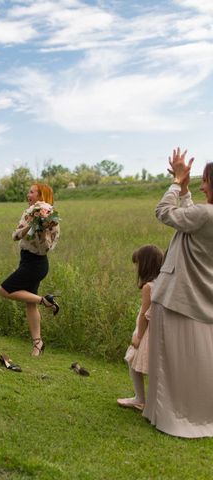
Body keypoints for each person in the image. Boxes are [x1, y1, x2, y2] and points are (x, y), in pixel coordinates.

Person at [143, 148, 213, 438]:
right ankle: (193, 410)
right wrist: (184, 186)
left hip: (178, 297)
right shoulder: (205, 215)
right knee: (195, 361)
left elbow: (165, 212)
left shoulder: (205, 214)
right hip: (200, 298)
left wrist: (175, 184)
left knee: (170, 360)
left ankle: (171, 414)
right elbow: (191, 216)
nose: (202, 185)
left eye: (206, 181)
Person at [0, 183, 60, 356]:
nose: (28, 194)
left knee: (4, 290)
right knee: (29, 304)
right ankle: (38, 344)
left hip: (36, 263)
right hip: (29, 261)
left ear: (41, 195)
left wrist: (42, 226)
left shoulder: (50, 217)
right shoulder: (31, 213)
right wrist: (31, 225)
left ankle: (45, 301)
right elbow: (16, 235)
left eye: (32, 192)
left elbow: (48, 245)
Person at [117, 245, 163, 411]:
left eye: (137, 264)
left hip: (147, 332)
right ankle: (151, 400)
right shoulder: (163, 283)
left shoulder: (148, 287)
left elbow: (144, 314)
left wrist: (138, 337)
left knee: (132, 359)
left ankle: (140, 398)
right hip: (160, 331)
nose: (136, 268)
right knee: (156, 367)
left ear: (145, 265)